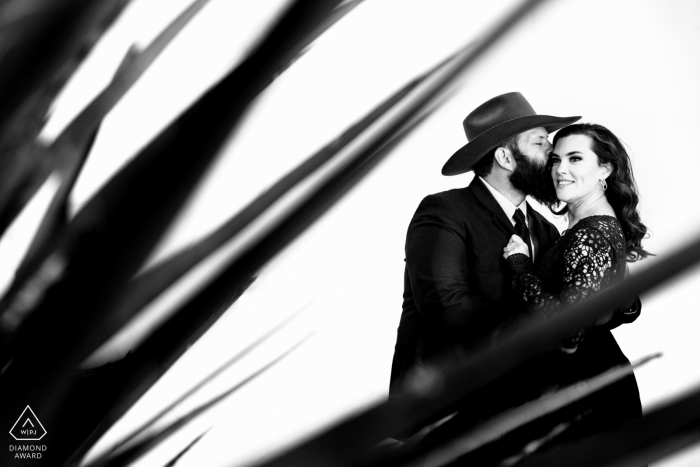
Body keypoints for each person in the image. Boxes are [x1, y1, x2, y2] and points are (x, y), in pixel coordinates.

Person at [502, 122, 650, 447]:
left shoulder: (590, 234)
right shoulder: (591, 226)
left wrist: (520, 266)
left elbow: (570, 334)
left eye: (575, 159)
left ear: (605, 169)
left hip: (584, 389)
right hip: (591, 380)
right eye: (555, 159)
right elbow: (627, 305)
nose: (560, 169)